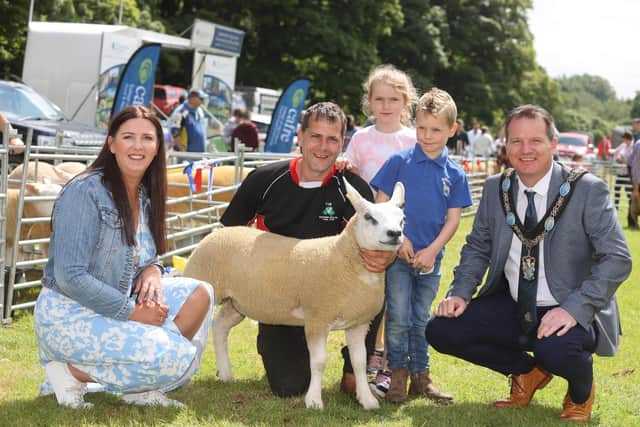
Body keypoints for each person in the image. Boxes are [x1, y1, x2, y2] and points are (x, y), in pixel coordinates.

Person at [426, 104, 631, 422]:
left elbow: (617, 258)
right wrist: (461, 292)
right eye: (516, 141)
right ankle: (528, 372)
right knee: (441, 330)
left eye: (535, 141)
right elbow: (478, 246)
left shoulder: (586, 189)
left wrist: (574, 308)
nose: (525, 150)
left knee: (556, 351)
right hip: (514, 302)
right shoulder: (497, 188)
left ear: (553, 144)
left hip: (569, 307)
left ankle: (580, 391)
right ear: (505, 145)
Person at [33, 106, 214, 409]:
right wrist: (132, 312)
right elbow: (70, 275)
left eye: (147, 138)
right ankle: (66, 373)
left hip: (117, 298)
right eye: (128, 137)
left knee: (201, 293)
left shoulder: (144, 194)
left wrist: (154, 270)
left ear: (157, 147)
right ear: (111, 143)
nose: (138, 146)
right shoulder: (84, 192)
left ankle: (137, 384)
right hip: (70, 315)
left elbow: (146, 253)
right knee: (178, 357)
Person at [220, 102, 395, 399]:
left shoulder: (353, 191)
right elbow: (228, 237)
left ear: (343, 143)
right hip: (277, 300)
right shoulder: (264, 180)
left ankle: (353, 374)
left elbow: (377, 245)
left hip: (331, 298)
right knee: (289, 386)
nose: (323, 147)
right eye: (315, 136)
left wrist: (385, 257)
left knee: (376, 282)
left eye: (332, 139)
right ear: (300, 136)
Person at [370, 88, 472, 404]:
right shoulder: (398, 162)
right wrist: (401, 241)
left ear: (452, 130)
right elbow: (381, 204)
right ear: (415, 124)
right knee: (398, 316)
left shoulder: (454, 173)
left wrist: (432, 251)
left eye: (436, 130)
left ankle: (421, 378)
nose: (427, 136)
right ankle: (396, 374)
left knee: (420, 318)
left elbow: (453, 220)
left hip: (431, 259)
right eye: (421, 128)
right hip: (399, 255)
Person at [343, 64, 417, 186]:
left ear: (405, 101)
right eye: (379, 99)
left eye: (393, 99)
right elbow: (352, 178)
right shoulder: (360, 138)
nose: (386, 106)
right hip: (364, 204)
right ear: (370, 100)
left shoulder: (414, 140)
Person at [613, 131, 634, 221]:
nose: (623, 139)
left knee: (628, 192)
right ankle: (615, 208)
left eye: (624, 138)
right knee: (617, 189)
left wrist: (623, 160)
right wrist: (618, 158)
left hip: (628, 173)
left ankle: (631, 210)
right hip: (620, 171)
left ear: (627, 138)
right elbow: (616, 153)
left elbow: (630, 160)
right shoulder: (623, 145)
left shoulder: (633, 147)